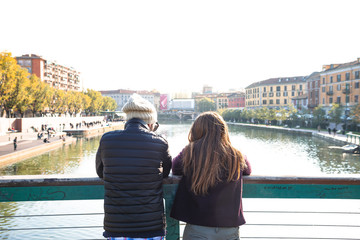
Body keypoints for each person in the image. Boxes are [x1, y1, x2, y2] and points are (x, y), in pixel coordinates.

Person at [96, 93, 172, 240]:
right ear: (151, 123)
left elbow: (100, 172)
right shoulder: (160, 142)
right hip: (151, 226)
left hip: (116, 226)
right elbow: (165, 173)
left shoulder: (107, 139)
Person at [170, 111, 251, 240]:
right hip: (229, 228)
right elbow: (248, 170)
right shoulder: (235, 154)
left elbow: (175, 168)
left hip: (197, 226)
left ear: (196, 130)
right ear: (223, 130)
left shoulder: (190, 151)